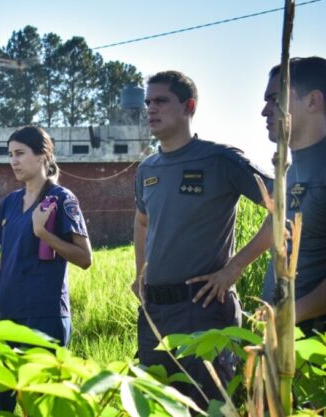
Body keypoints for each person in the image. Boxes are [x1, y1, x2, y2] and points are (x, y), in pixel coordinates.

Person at [132, 71, 272, 409]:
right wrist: (140, 273)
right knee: (156, 406)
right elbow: (141, 220)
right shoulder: (147, 169)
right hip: (155, 312)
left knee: (208, 408)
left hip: (203, 310)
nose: (151, 109)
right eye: (148, 102)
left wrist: (235, 267)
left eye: (161, 101)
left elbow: (282, 206)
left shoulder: (220, 160)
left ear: (189, 106)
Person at [0, 125, 92, 413]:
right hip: (5, 317)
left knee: (39, 407)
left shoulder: (61, 199)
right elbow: (3, 263)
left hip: (44, 318)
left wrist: (43, 233)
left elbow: (85, 258)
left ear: (42, 156)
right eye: (10, 154)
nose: (13, 161)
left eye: (20, 153)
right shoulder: (9, 203)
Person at [261, 57, 326, 336]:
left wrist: (290, 315)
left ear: (313, 101)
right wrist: (233, 268)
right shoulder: (289, 170)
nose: (264, 111)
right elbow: (275, 226)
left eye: (276, 100)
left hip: (313, 344)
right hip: (282, 338)